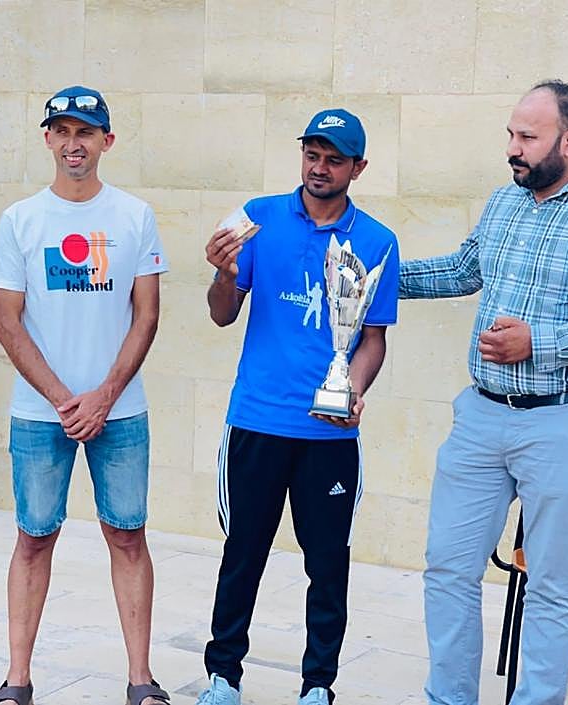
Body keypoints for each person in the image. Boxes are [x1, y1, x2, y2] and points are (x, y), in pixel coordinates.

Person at [197, 109, 400, 705]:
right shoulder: (257, 219)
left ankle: (318, 686)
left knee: (328, 565)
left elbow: (373, 339)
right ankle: (223, 677)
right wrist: (223, 275)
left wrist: (352, 390)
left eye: (334, 159)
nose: (319, 168)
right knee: (242, 555)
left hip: (329, 435)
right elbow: (222, 314)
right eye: (312, 155)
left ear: (358, 168)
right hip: (257, 420)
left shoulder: (377, 240)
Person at [0, 86, 170, 705]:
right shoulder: (21, 220)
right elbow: (7, 322)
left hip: (121, 412)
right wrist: (67, 399)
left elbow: (146, 315)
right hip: (41, 415)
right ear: (47, 139)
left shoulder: (134, 216)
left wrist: (104, 396)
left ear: (106, 141)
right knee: (34, 537)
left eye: (85, 132)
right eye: (62, 131)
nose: (73, 144)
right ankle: (17, 681)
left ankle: (141, 680)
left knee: (128, 535)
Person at [399, 80, 568, 705]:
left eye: (528, 136)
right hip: (479, 417)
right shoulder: (504, 202)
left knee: (554, 585)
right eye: (510, 134)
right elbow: (460, 270)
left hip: (559, 422)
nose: (513, 148)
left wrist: (540, 342)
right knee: (448, 567)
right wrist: (371, 277)